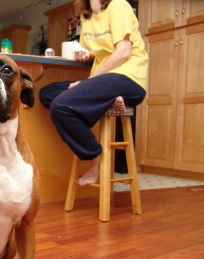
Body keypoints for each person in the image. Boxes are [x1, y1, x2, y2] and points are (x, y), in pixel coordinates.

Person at [39, 0, 148, 186]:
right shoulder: (86, 15)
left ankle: (95, 158)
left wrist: (87, 83)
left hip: (128, 77)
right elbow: (97, 51)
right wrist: (87, 55)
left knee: (61, 106)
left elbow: (123, 52)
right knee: (47, 93)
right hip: (104, 81)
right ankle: (108, 99)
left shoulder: (118, 5)